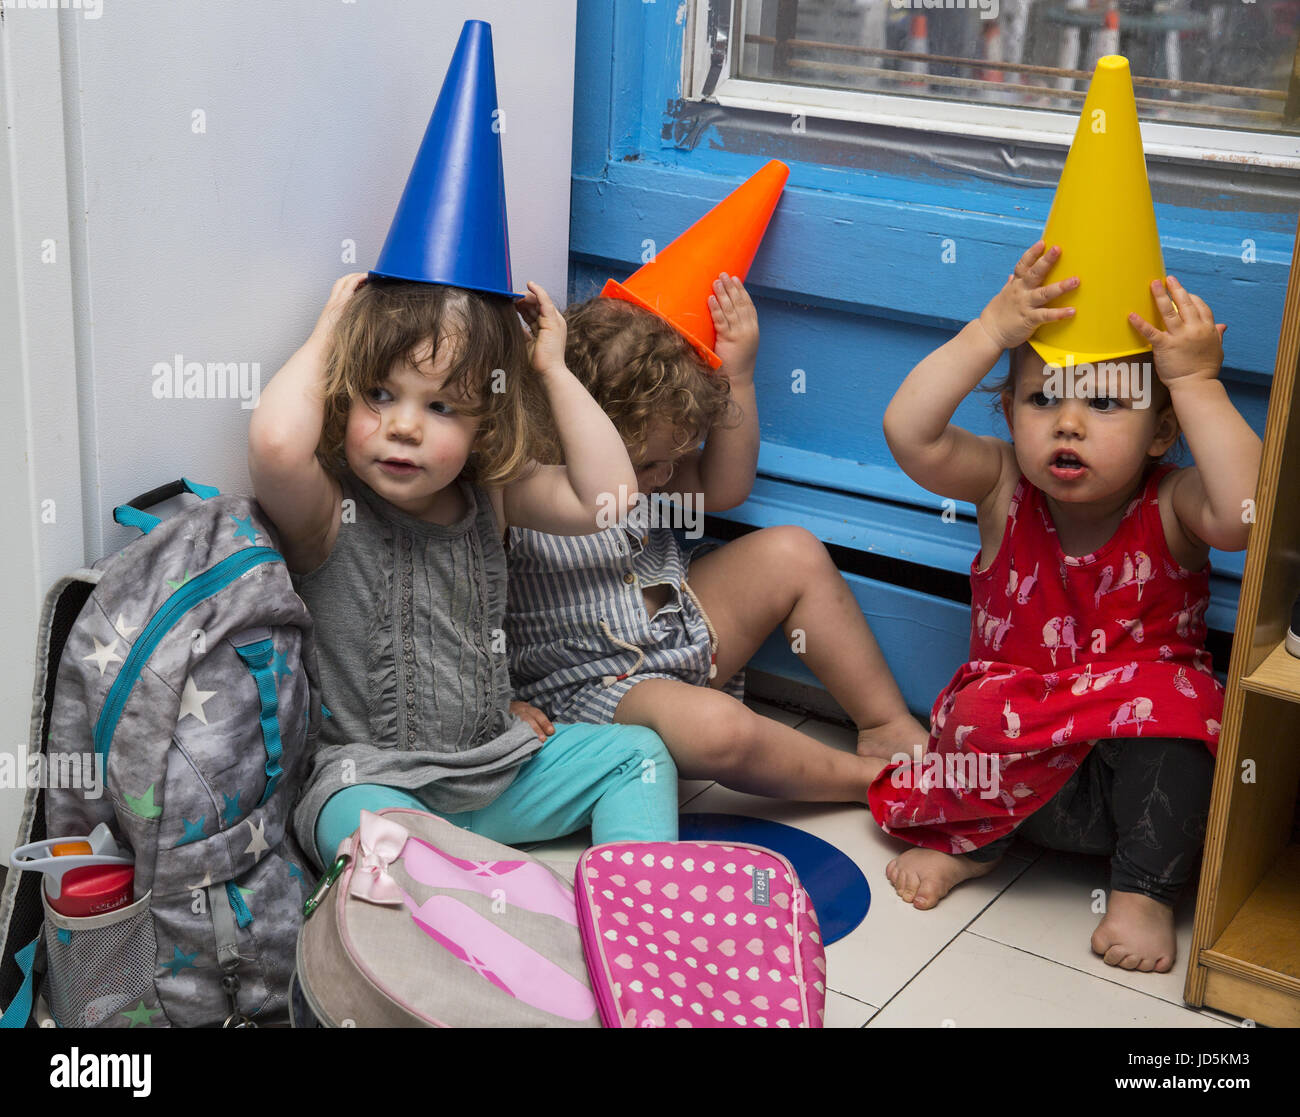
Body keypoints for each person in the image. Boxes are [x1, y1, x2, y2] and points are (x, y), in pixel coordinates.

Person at [873, 240, 1261, 972]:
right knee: (974, 710)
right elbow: (909, 432)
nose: (1069, 422)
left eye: (1106, 401)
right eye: (1042, 397)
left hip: (1130, 773)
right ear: (1010, 410)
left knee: (1186, 706)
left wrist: (1196, 381)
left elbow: (1244, 514)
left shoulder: (1173, 501)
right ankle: (979, 843)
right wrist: (990, 330)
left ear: (1162, 433)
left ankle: (1144, 887)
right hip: (1018, 755)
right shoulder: (999, 485)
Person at [249, 272, 679, 868]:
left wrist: (552, 369)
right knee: (359, 825)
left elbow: (607, 498)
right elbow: (274, 443)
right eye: (378, 394)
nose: (403, 425)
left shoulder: (491, 497)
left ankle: (630, 915)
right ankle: (451, 906)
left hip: (494, 771)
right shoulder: (326, 512)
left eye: (442, 405)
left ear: (487, 426)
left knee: (643, 755)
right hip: (375, 784)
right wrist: (329, 333)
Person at [505, 272, 928, 811]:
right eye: (651, 464)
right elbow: (471, 609)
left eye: (673, 458)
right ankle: (871, 782)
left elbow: (723, 487)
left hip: (682, 630)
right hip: (595, 690)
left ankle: (887, 724)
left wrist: (739, 375)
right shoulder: (520, 488)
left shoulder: (649, 464)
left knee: (792, 551)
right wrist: (501, 704)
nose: (663, 477)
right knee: (720, 731)